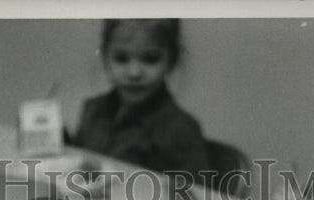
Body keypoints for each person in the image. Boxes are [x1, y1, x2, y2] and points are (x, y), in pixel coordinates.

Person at [71, 19, 212, 185]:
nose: (134, 72)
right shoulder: (92, 110)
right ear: (105, 57)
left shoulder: (182, 129)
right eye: (121, 59)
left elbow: (196, 199)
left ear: (172, 60)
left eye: (150, 59)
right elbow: (77, 168)